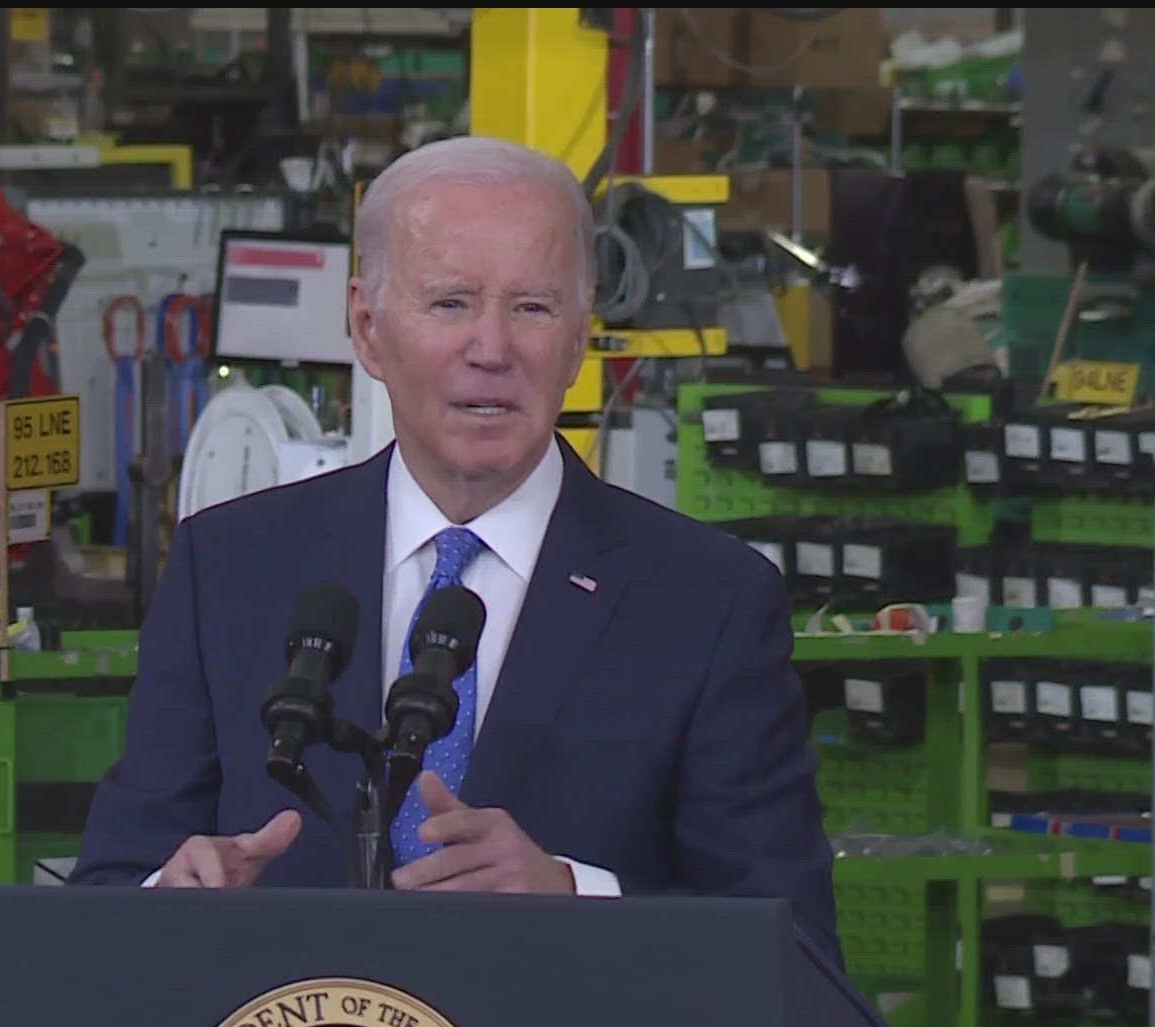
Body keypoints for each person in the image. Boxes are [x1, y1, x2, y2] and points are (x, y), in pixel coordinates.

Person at [68, 135, 842, 968]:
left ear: (581, 334)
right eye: (450, 304)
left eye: (534, 308)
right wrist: (169, 901)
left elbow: (791, 946)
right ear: (367, 328)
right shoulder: (227, 568)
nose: (493, 349)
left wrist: (576, 900)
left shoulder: (708, 602)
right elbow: (109, 888)